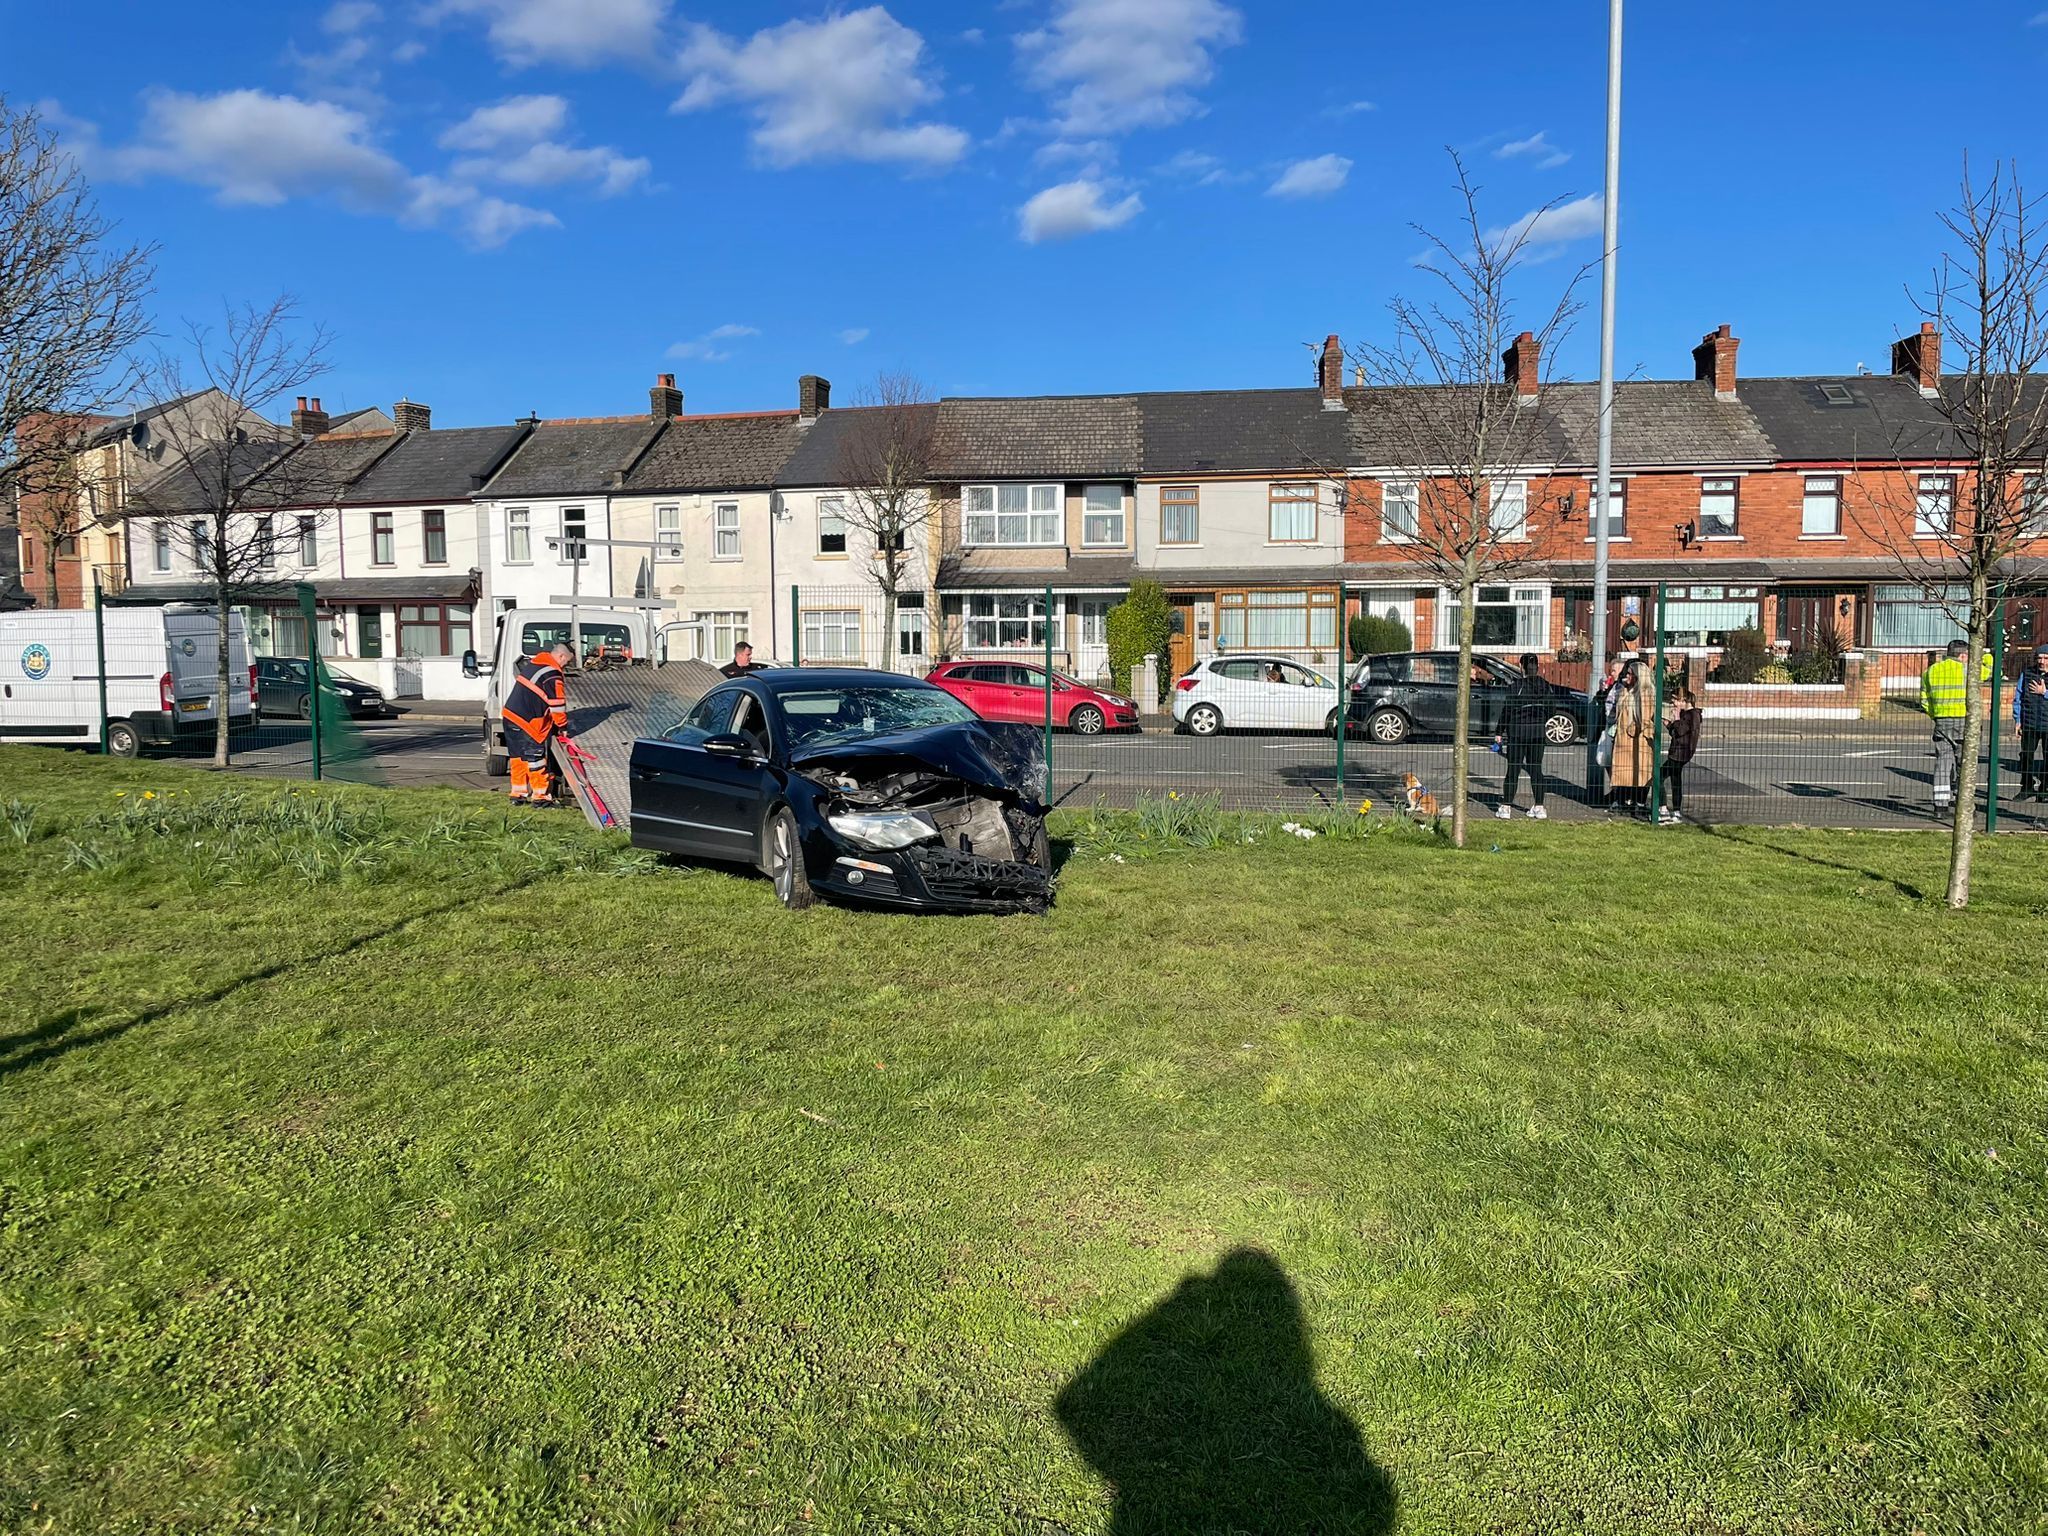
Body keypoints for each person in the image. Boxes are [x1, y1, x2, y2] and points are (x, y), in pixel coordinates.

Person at [502, 639, 575, 806]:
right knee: (536, 759)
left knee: (518, 757)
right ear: (561, 655)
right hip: (530, 722)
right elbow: (557, 704)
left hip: (510, 716)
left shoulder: (535, 664)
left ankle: (518, 794)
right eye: (567, 661)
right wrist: (562, 726)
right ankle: (540, 798)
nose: (566, 665)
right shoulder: (552, 674)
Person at [1492, 652, 1552, 820]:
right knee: (1536, 769)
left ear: (1521, 667)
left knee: (1513, 769)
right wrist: (1541, 720)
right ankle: (1539, 807)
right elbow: (1551, 709)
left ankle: (1506, 807)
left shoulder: (1515, 687)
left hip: (1517, 733)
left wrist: (1499, 732)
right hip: (1537, 733)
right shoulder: (1545, 686)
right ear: (1538, 667)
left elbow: (1507, 711)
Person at [1920, 639, 1970, 816]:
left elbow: (1924, 700)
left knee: (1943, 763)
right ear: (1963, 655)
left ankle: (1940, 805)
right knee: (1964, 764)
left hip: (1941, 721)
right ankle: (1963, 803)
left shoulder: (1931, 671)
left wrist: (1936, 715)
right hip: (1964, 721)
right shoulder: (1967, 671)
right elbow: (1991, 670)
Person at [1606, 659, 1657, 815]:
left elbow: (1646, 719)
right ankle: (1621, 801)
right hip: (1623, 740)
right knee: (1622, 772)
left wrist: (1632, 729)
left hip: (1639, 740)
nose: (1626, 676)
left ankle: (1639, 803)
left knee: (1641, 772)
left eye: (1630, 674)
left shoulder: (1646, 694)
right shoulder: (1625, 691)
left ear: (1638, 676)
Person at [1660, 679, 1703, 825]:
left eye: (1674, 701)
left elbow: (1680, 730)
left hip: (1680, 753)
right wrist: (1668, 723)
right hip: (1679, 752)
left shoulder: (1692, 715)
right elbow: (1677, 731)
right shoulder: (1688, 715)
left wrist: (1676, 717)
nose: (1673, 704)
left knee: (1659, 776)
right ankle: (1675, 811)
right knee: (1675, 781)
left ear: (1683, 700)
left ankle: (1663, 808)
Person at [2015, 646, 2048, 801]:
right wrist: (2018, 720)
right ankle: (2026, 787)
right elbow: (2018, 697)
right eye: (2039, 658)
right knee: (2026, 756)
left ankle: (2044, 789)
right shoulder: (2027, 673)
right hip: (2030, 723)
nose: (2042, 661)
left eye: (2046, 658)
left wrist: (2044, 692)